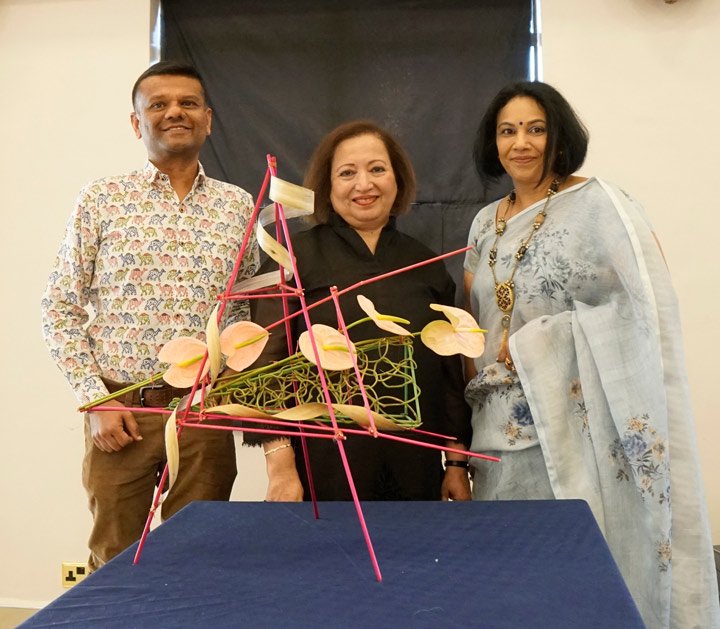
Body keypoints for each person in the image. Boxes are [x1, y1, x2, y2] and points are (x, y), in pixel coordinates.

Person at [463, 80, 719, 628]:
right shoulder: (485, 222)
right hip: (492, 435)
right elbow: (473, 325)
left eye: (536, 129)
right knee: (508, 581)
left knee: (573, 577)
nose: (521, 143)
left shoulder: (601, 205)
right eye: (508, 131)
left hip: (576, 432)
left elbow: (648, 307)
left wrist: (543, 340)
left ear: (559, 136)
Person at [41, 61, 258, 571]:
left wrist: (228, 391)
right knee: (114, 561)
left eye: (187, 103)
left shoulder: (237, 206)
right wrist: (95, 400)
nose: (174, 112)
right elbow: (59, 306)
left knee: (199, 559)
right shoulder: (102, 199)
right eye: (158, 104)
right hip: (121, 412)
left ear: (208, 119)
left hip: (203, 414)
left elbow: (242, 307)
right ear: (137, 123)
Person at [251, 120, 472, 502]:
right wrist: (280, 468)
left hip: (416, 464)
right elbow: (265, 366)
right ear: (327, 185)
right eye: (347, 173)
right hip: (323, 463)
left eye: (377, 169)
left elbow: (449, 372)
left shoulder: (425, 264)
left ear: (397, 179)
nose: (364, 184)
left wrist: (455, 462)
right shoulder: (292, 258)